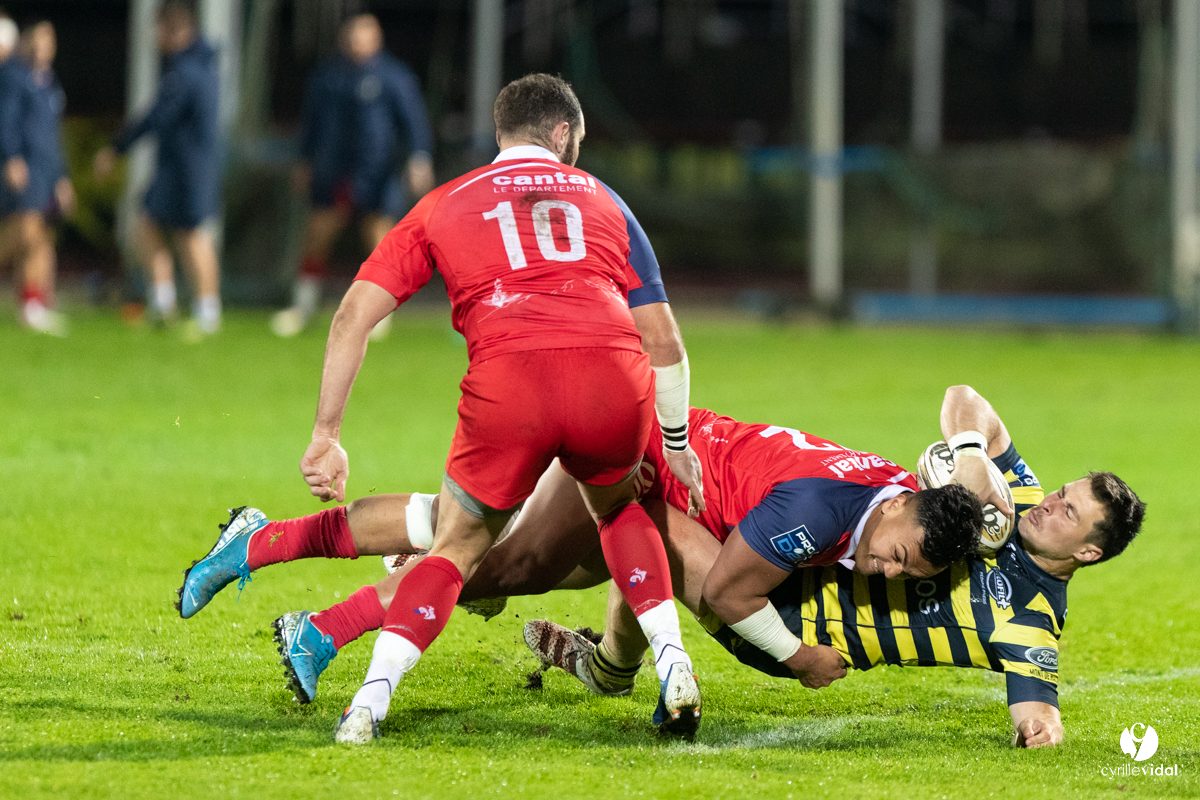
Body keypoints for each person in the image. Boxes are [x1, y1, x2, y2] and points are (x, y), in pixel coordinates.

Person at [179, 73, 708, 744]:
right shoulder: (605, 199)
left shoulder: (446, 202)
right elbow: (664, 340)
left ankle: (363, 693)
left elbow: (351, 316)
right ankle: (673, 660)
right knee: (611, 513)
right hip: (611, 381)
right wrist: (676, 443)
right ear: (562, 133)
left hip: (512, 389)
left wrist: (326, 434)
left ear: (500, 133)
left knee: (453, 543)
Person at [187, 386, 1141, 748]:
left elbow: (1036, 698)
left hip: (666, 459)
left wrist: (1043, 727)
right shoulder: (834, 514)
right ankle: (319, 622)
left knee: (475, 540)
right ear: (900, 508)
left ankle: (265, 545)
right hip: (640, 451)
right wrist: (800, 657)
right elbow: (725, 589)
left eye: (1070, 514)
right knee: (492, 560)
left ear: (1088, 553)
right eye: (1060, 494)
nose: (1049, 504)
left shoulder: (964, 551)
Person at [270, 13, 434, 339]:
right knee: (318, 234)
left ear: (377, 39)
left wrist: (419, 158)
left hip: (378, 171)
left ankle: (380, 314)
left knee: (380, 240)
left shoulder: (394, 76)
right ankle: (303, 306)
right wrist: (305, 161)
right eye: (353, 36)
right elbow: (311, 123)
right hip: (335, 171)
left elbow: (414, 121)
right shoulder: (328, 76)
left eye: (365, 35)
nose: (358, 42)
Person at [94, 0, 221, 337]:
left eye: (159, 29)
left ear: (175, 30)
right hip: (182, 166)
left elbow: (157, 116)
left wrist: (117, 146)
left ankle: (207, 312)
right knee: (151, 224)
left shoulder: (186, 72)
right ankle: (164, 305)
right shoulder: (199, 65)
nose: (154, 37)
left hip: (188, 168)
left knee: (192, 234)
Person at [0, 20, 73, 336]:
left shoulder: (50, 83)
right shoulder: (15, 76)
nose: (44, 46)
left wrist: (62, 177)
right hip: (26, 165)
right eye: (39, 39)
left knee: (42, 234)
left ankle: (34, 304)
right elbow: (6, 120)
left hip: (47, 169)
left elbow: (55, 135)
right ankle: (31, 303)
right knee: (26, 231)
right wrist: (12, 157)